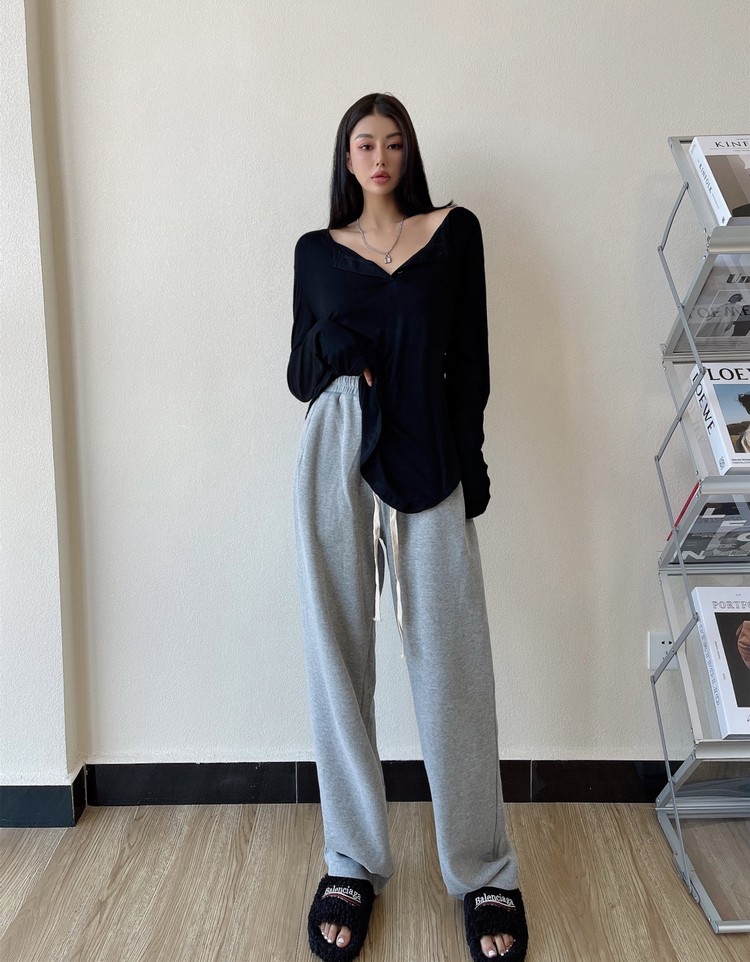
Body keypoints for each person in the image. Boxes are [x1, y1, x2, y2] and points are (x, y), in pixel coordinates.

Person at [287, 92, 528, 962]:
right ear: (346, 158)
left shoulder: (453, 233)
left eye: (393, 143)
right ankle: (352, 862)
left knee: (453, 658)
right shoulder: (317, 252)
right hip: (335, 446)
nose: (380, 157)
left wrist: (473, 464)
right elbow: (299, 371)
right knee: (338, 653)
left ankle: (483, 867)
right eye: (364, 144)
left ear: (408, 152)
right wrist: (342, 345)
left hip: (429, 445)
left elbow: (472, 364)